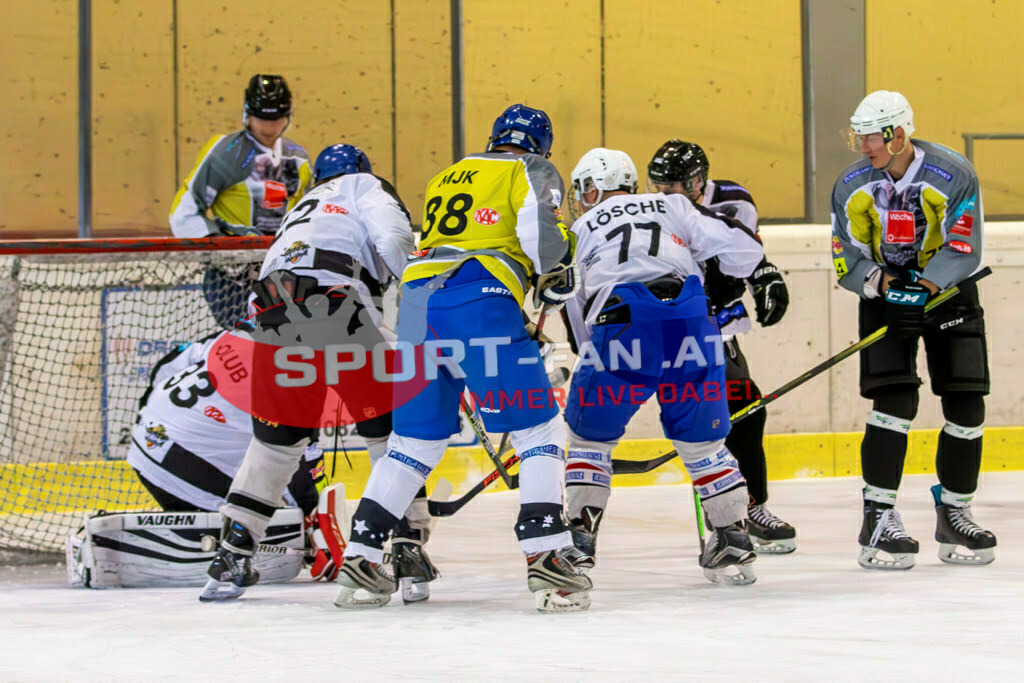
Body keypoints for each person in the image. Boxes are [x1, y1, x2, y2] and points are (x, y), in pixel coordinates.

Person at [335, 104, 592, 613]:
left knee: (412, 444)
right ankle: (548, 557)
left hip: (414, 307)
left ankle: (361, 561)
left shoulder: (446, 175)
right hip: (478, 299)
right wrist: (561, 262)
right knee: (540, 431)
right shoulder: (531, 169)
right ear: (543, 145)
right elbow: (542, 243)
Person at [200, 143, 421, 601]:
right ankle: (405, 546)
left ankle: (231, 553)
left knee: (276, 444)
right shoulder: (364, 185)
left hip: (271, 315)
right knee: (390, 432)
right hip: (336, 305)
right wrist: (422, 292)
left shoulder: (300, 208)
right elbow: (396, 238)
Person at [562, 147, 766, 585]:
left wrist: (592, 358)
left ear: (592, 188)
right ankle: (732, 536)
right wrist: (723, 273)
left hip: (621, 323)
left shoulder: (578, 229)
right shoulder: (672, 204)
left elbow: (575, 309)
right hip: (691, 322)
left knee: (589, 439)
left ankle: (578, 543)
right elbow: (745, 249)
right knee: (704, 445)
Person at [831, 90, 996, 570]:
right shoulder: (852, 183)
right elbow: (846, 254)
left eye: (869, 139)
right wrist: (882, 283)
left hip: (947, 292)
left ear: (897, 133)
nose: (862, 148)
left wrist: (923, 287)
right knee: (894, 401)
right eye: (857, 137)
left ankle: (955, 511)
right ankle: (877, 518)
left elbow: (964, 245)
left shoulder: (952, 172)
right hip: (886, 296)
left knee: (967, 400)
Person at [646, 139, 795, 553]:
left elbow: (741, 251)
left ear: (698, 180)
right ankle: (726, 519)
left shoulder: (733, 200)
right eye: (659, 185)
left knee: (746, 409)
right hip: (672, 321)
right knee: (706, 419)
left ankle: (752, 507)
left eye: (674, 185)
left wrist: (763, 276)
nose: (665, 194)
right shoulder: (651, 207)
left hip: (716, 321)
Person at [125, 329, 342, 581]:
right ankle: (225, 551)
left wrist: (150, 410)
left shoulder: (238, 334)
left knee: (253, 461)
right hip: (179, 465)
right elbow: (296, 462)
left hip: (146, 439)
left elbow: (175, 358)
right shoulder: (293, 380)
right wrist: (310, 523)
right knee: (259, 508)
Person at [169, 74, 314, 329]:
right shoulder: (225, 152)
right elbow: (184, 211)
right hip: (232, 278)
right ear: (248, 114)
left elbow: (307, 218)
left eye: (276, 119)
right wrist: (222, 251)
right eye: (262, 119)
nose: (270, 127)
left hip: (282, 274)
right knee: (246, 344)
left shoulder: (299, 159)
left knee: (284, 347)